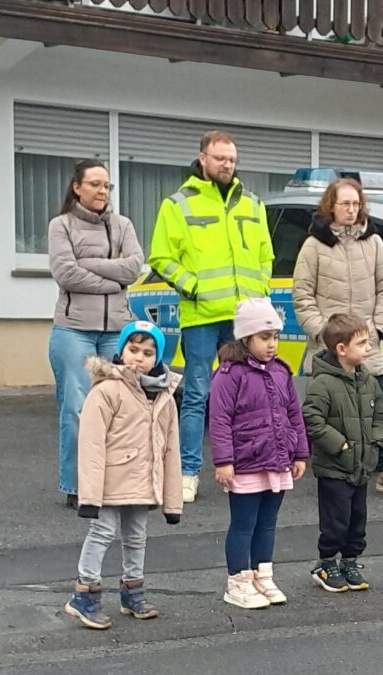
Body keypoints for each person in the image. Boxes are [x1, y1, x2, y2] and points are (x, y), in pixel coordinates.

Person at [148, 131, 275, 504]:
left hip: (243, 319)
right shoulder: (178, 204)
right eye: (220, 158)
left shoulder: (252, 203)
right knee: (198, 396)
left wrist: (259, 291)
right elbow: (161, 256)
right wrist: (195, 288)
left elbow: (266, 255)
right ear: (202, 158)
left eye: (232, 159)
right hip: (202, 315)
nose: (227, 165)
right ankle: (188, 473)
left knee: (247, 396)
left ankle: (248, 468)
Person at [65, 321, 182, 630]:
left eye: (147, 352)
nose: (138, 358)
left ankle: (132, 591)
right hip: (108, 483)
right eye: (132, 349)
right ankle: (84, 593)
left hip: (142, 482)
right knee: (101, 533)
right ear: (121, 351)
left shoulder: (164, 397)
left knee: (136, 537)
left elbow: (171, 450)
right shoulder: (107, 391)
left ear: (157, 357)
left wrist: (172, 501)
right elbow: (90, 446)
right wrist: (88, 496)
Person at [292, 178, 383, 498]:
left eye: (356, 204)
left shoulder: (374, 243)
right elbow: (302, 296)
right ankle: (336, 475)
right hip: (331, 351)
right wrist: (323, 333)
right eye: (345, 204)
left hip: (366, 346)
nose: (352, 210)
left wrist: (378, 328)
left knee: (379, 410)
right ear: (331, 206)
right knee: (331, 415)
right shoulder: (314, 246)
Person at [48, 159, 144, 507]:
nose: (103, 191)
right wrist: (113, 278)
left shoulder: (122, 225)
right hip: (74, 332)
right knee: (76, 408)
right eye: (95, 184)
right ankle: (77, 487)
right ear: (77, 187)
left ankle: (113, 484)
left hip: (115, 331)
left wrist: (87, 265)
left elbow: (134, 267)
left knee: (118, 410)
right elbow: (65, 274)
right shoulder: (61, 226)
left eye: (107, 186)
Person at [208, 298, 309, 609]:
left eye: (276, 337)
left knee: (267, 523)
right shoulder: (229, 374)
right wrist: (224, 461)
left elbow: (294, 413)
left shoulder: (281, 371)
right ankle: (237, 581)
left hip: (276, 461)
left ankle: (262, 575)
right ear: (245, 338)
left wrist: (300, 453)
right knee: (244, 524)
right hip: (246, 464)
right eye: (265, 338)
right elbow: (220, 419)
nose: (272, 344)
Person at [302, 313, 383, 593]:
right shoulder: (323, 383)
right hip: (335, 467)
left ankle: (350, 560)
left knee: (357, 519)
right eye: (362, 343)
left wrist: (375, 443)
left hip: (361, 464)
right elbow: (313, 419)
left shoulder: (368, 381)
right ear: (341, 349)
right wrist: (341, 445)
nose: (368, 348)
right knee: (335, 519)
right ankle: (326, 563)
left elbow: (379, 416)